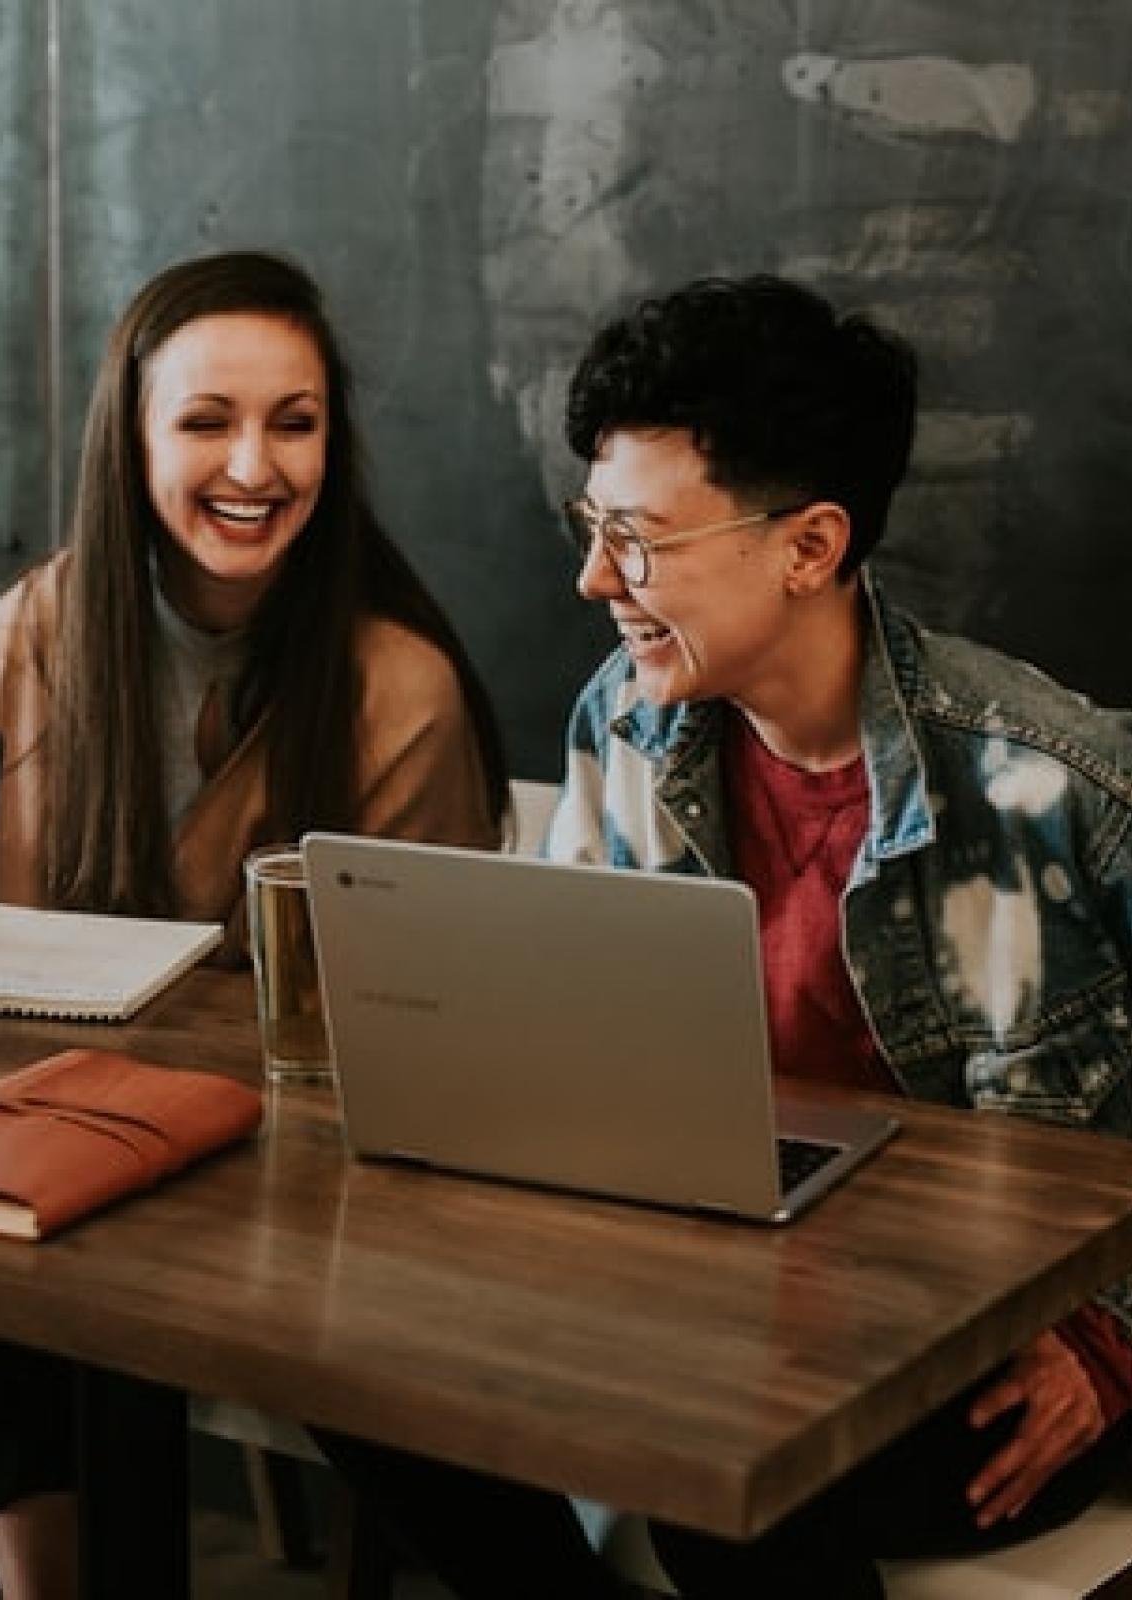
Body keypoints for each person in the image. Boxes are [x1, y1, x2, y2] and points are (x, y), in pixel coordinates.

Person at [322, 274, 1132, 1598]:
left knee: (723, 1463)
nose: (594, 580)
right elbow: (566, 1051)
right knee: (350, 1363)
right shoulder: (626, 724)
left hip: (983, 1350)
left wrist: (1113, 1341)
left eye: (638, 540)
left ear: (808, 548)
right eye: (592, 527)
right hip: (714, 1299)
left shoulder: (1052, 783)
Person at [0, 249, 509, 1598]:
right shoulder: (53, 621)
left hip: (293, 1195)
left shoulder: (395, 686)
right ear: (133, 440)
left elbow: (422, 1028)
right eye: (207, 421)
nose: (255, 465)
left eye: (294, 422)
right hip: (62, 1153)